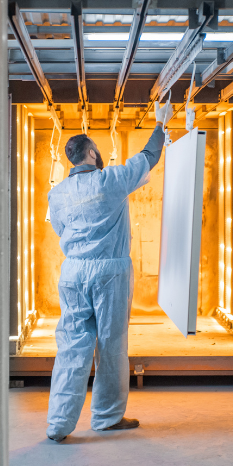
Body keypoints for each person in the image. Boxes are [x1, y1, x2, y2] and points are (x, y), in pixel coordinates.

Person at [44, 101, 174, 442]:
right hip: (109, 274)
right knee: (111, 344)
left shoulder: (56, 195)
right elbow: (148, 157)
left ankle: (58, 424)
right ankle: (106, 417)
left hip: (72, 273)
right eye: (97, 150)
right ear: (90, 152)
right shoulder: (110, 180)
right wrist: (162, 123)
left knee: (71, 345)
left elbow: (60, 229)